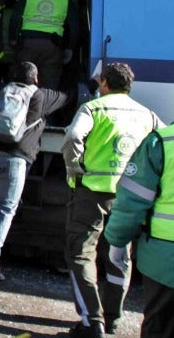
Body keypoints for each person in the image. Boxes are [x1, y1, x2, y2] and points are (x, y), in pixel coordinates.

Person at [59, 62, 164, 337]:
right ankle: (113, 319)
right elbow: (163, 143)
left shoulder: (94, 108)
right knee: (119, 257)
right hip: (127, 197)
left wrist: (74, 167)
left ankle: (92, 322)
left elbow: (72, 136)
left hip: (91, 192)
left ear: (104, 83)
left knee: (81, 253)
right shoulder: (147, 115)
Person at [0, 61, 72, 281]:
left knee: (3, 201)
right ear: (36, 78)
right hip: (14, 159)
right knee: (6, 207)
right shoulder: (41, 96)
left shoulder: (5, 89)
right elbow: (68, 96)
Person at [104, 123, 174, 337]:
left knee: (160, 326)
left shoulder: (162, 141)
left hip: (165, 260)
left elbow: (131, 203)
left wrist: (116, 241)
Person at [9, 0, 78, 89]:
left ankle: (22, 106)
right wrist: (69, 48)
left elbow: (16, 17)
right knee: (49, 84)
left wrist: (13, 39)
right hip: (53, 47)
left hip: (28, 44)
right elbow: (73, 26)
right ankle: (44, 107)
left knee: (22, 80)